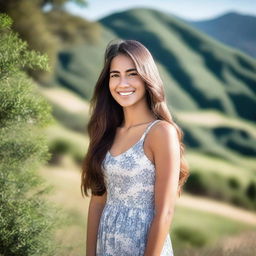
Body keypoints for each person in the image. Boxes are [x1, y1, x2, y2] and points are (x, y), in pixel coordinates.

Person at [81, 39, 189, 256]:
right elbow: (98, 201)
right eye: (115, 75)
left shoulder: (160, 132)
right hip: (107, 248)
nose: (122, 83)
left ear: (146, 77)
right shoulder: (107, 132)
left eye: (132, 74)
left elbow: (165, 211)